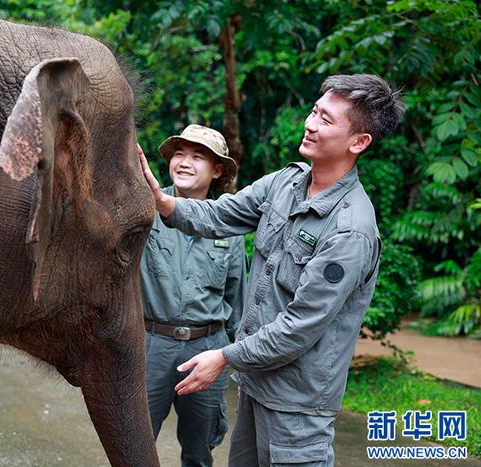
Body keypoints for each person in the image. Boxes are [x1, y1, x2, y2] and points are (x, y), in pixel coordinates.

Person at [138, 75, 405, 467]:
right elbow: (221, 213)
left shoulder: (351, 231)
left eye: (326, 120)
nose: (311, 124)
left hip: (297, 407)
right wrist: (164, 202)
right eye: (314, 112)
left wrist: (224, 355)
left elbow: (299, 327)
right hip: (257, 386)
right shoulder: (286, 182)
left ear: (358, 142)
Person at [140, 124, 248, 467]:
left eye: (197, 156)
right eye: (179, 154)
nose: (184, 162)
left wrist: (231, 358)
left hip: (207, 348)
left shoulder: (229, 228)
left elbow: (238, 303)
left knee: (200, 453)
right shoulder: (144, 210)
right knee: (134, 446)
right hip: (150, 344)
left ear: (217, 170)